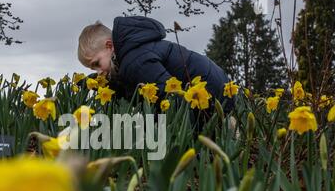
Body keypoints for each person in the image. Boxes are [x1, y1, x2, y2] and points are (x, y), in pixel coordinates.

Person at [77, 16, 235, 130]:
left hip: (214, 105)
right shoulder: (134, 52)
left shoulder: (136, 60)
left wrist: (186, 140)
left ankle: (224, 129)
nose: (99, 72)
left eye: (97, 64)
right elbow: (128, 84)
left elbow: (173, 99)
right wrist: (92, 83)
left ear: (110, 46)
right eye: (93, 70)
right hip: (220, 95)